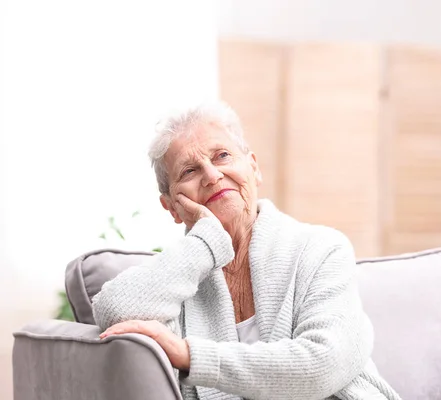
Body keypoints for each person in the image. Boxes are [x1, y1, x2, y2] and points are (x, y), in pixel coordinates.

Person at [92, 102, 401, 400]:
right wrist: (206, 241)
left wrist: (190, 356)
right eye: (189, 171)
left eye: (222, 156)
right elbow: (114, 310)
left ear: (253, 168)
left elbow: (322, 365)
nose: (211, 175)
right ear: (172, 207)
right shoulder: (175, 277)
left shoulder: (321, 249)